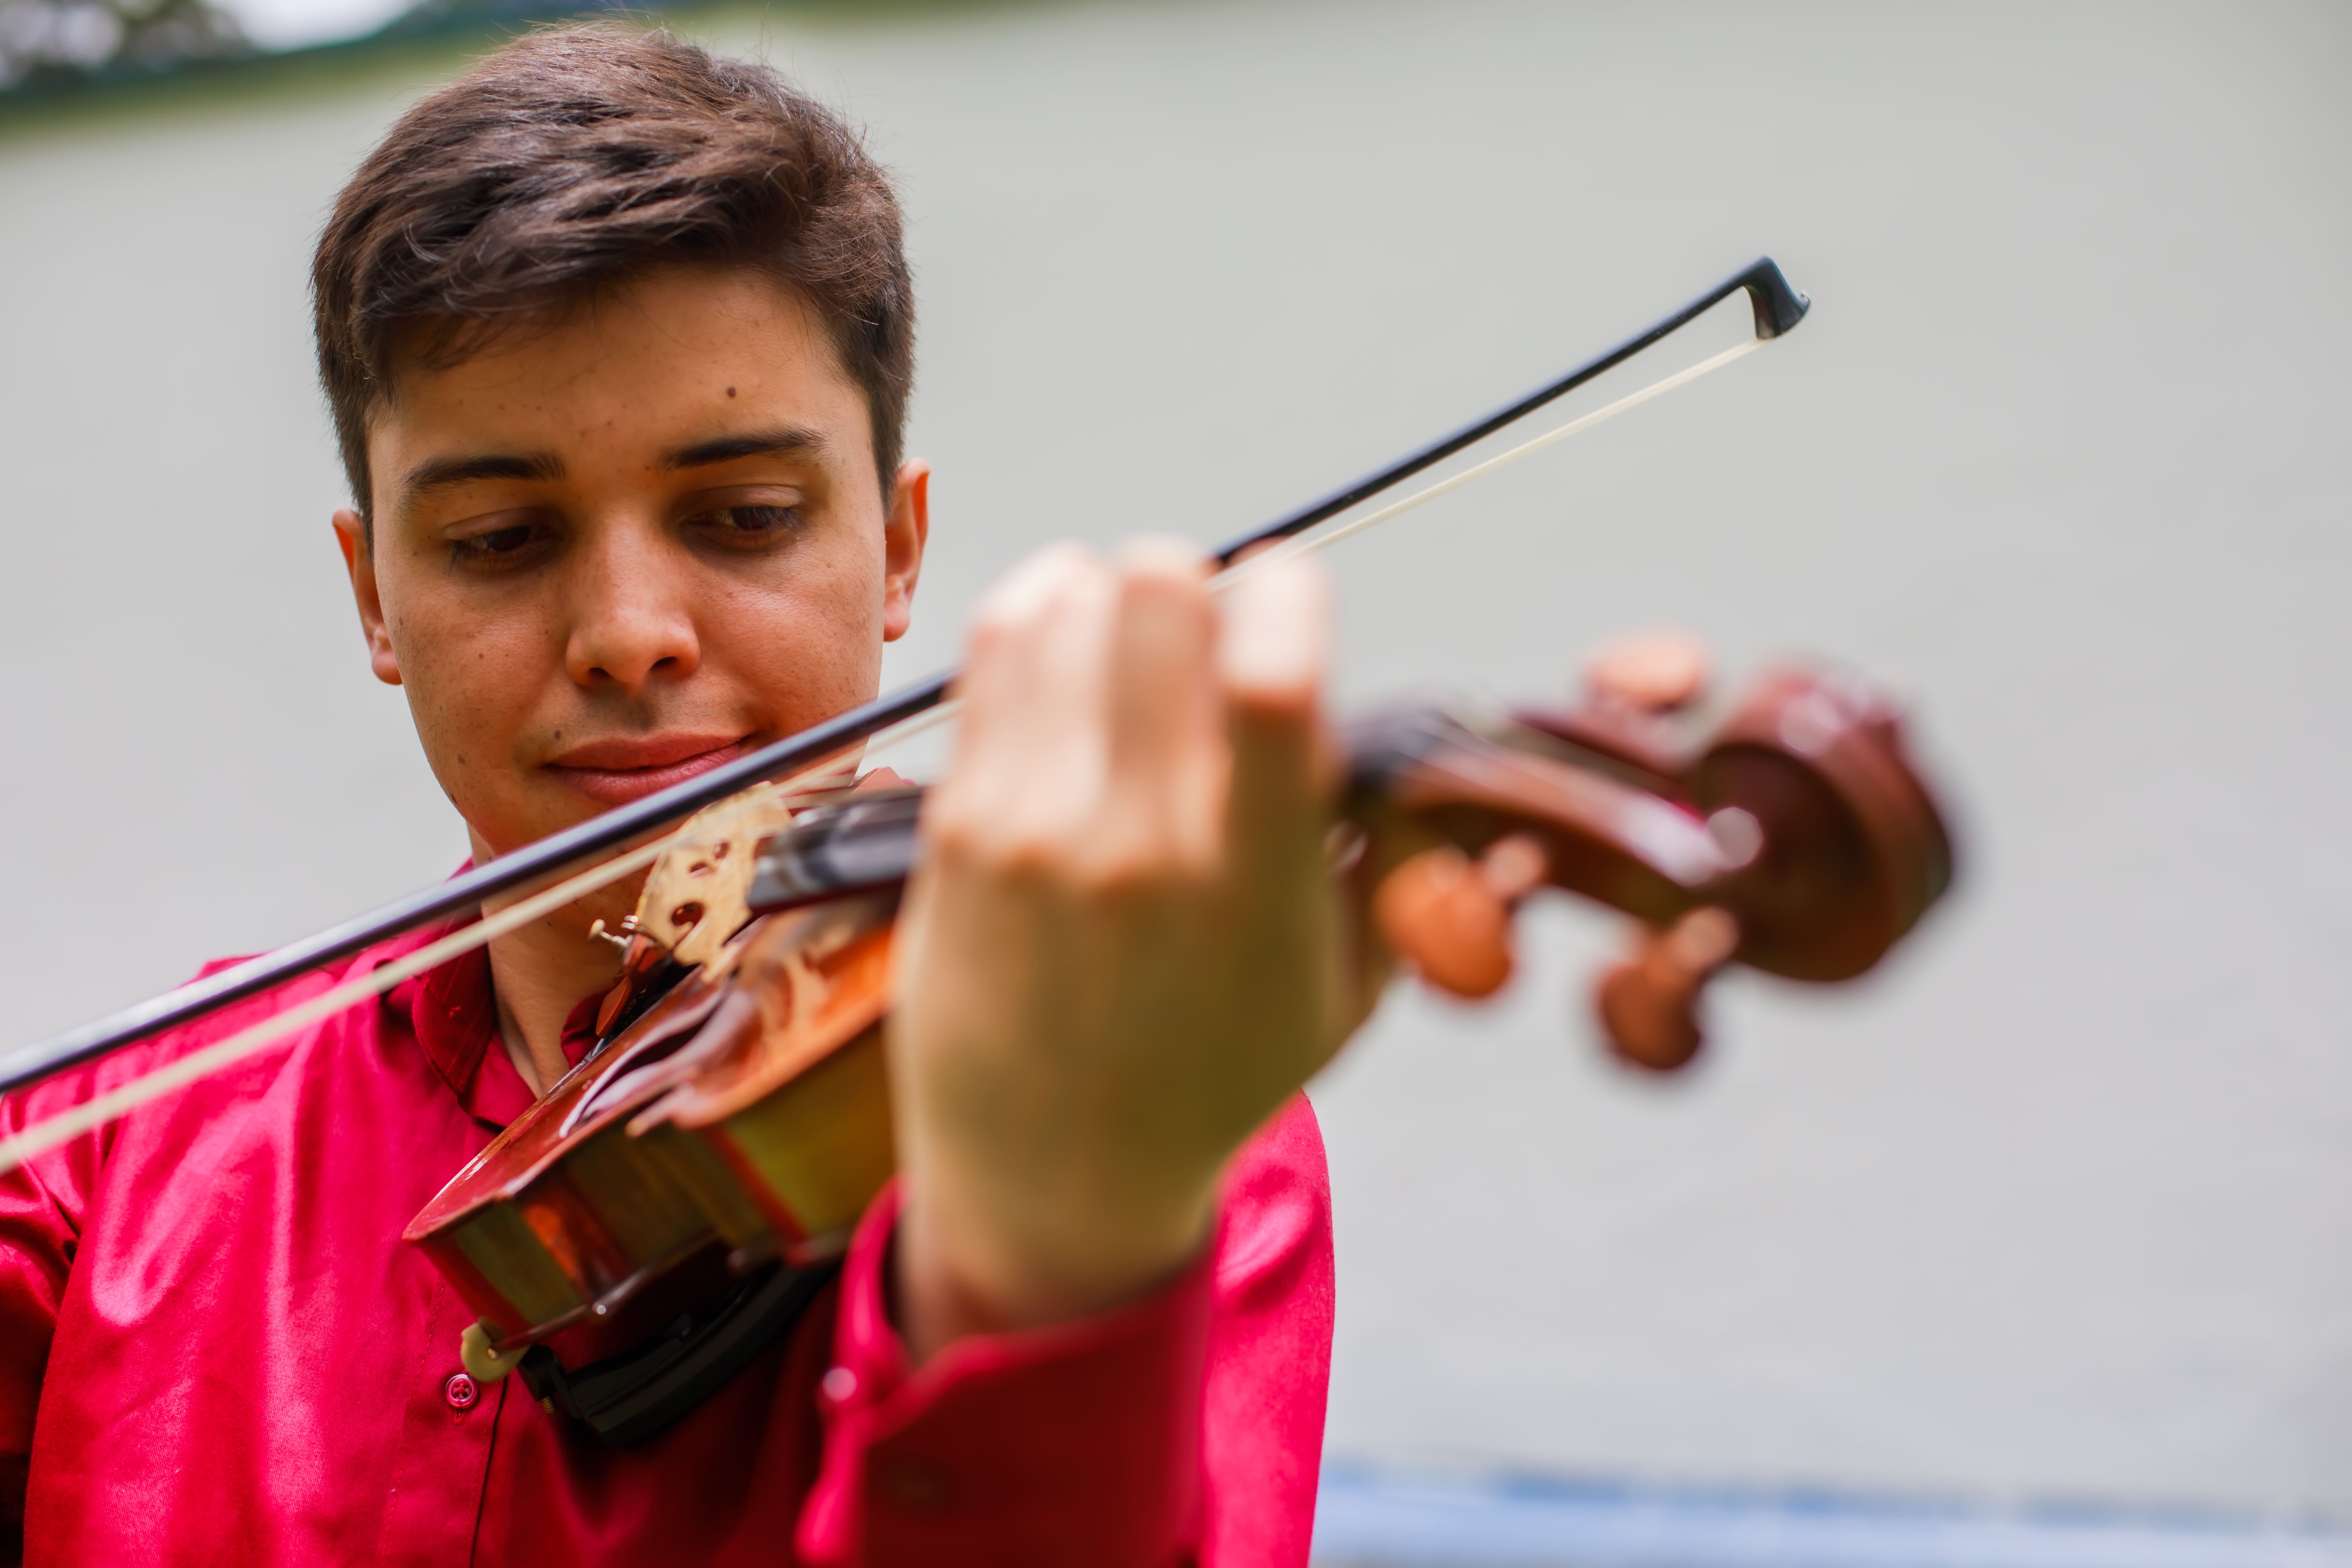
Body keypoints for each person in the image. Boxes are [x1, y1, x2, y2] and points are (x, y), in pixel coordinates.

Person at [0, 24, 1383, 1566]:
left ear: (900, 547)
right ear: (373, 596)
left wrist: (1050, 1245)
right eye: (502, 540)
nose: (628, 635)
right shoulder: (124, 1134)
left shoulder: (1118, 1095)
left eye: (743, 516)